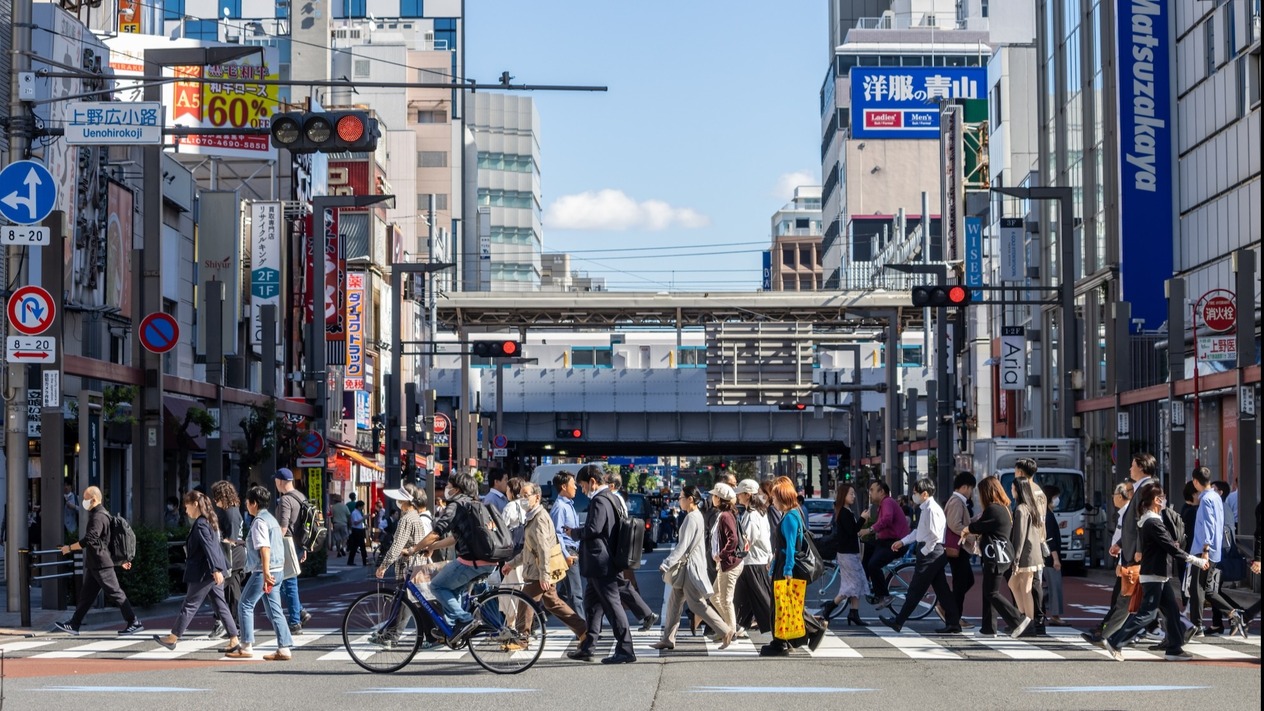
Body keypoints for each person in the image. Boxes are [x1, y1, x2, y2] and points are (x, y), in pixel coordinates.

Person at [1104, 483, 1211, 661]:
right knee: (1148, 613)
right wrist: (1197, 560)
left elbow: (1168, 545)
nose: (1165, 501)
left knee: (1172, 611)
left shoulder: (1151, 519)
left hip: (1158, 574)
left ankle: (1174, 648)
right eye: (1163, 497)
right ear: (1156, 500)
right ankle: (1116, 641)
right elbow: (1171, 548)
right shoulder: (1152, 521)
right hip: (1154, 573)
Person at [502, 482, 589, 649]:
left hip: (538, 571)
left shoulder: (539, 518)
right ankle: (583, 629)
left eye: (526, 495)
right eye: (521, 495)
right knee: (552, 603)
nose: (522, 499)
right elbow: (529, 549)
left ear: (537, 497)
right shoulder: (531, 517)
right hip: (537, 568)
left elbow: (543, 549)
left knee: (526, 601)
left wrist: (544, 575)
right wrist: (512, 564)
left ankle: (522, 638)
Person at [154, 491, 241, 652]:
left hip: (204, 571)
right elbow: (213, 546)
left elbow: (209, 547)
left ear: (195, 504)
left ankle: (173, 638)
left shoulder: (201, 523)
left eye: (186, 507)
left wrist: (215, 569)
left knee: (190, 604)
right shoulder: (209, 520)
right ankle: (234, 639)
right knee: (220, 604)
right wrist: (217, 568)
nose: (185, 511)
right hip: (211, 570)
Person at [566, 465, 636, 664]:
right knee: (592, 605)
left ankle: (626, 649)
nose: (582, 489)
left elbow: (594, 528)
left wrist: (575, 533)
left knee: (613, 606)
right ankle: (588, 647)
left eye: (583, 485)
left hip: (600, 561)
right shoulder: (611, 497)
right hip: (605, 560)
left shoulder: (599, 500)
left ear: (592, 481)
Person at [416, 471, 499, 639]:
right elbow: (455, 538)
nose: (446, 488)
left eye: (449, 485)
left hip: (471, 562)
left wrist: (414, 548)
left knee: (437, 586)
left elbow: (437, 531)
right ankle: (453, 626)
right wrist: (432, 547)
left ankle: (466, 619)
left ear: (457, 489)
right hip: (488, 560)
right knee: (452, 589)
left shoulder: (456, 505)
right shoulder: (477, 505)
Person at [54, 487, 143, 636]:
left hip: (100, 564)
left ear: (94, 499)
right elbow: (106, 542)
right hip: (97, 564)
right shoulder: (103, 515)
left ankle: (133, 622)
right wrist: (119, 562)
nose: (83, 501)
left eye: (86, 498)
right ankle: (74, 625)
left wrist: (69, 548)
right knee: (86, 597)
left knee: (116, 593)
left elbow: (90, 539)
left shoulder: (98, 517)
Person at [653, 486, 733, 650]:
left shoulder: (691, 518)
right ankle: (668, 638)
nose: (679, 501)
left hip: (689, 568)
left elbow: (683, 546)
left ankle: (725, 630)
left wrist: (667, 563)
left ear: (690, 499)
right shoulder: (695, 516)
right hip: (688, 567)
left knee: (696, 604)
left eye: (681, 497)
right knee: (674, 603)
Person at [880, 478, 963, 634]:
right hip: (932, 552)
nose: (913, 495)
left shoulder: (931, 509)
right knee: (942, 590)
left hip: (930, 553)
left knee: (916, 589)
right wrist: (903, 542)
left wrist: (924, 552)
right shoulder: (926, 508)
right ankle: (953, 623)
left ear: (925, 494)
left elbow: (934, 535)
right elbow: (920, 532)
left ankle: (899, 621)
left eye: (915, 492)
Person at [762, 476, 826, 656]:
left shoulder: (790, 517)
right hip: (782, 564)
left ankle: (784, 641)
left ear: (782, 497)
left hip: (786, 566)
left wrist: (787, 569)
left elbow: (790, 547)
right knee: (786, 604)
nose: (772, 501)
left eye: (774, 498)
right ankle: (783, 640)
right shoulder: (793, 513)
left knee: (783, 604)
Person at [227, 486, 292, 660]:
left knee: (245, 604)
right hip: (277, 570)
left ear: (254, 503)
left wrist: (264, 573)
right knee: (274, 610)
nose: (247, 505)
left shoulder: (259, 522)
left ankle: (246, 646)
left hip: (264, 571)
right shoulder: (271, 519)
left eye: (248, 502)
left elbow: (264, 548)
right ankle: (284, 648)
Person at [961, 476, 1030, 638]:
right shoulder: (1003, 507)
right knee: (988, 591)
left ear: (987, 492)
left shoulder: (993, 509)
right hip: (1000, 554)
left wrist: (967, 529)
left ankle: (1018, 619)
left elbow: (979, 526)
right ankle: (988, 628)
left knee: (992, 592)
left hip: (996, 556)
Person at [1187, 466, 1248, 638]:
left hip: (1203, 550)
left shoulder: (1206, 500)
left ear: (1196, 482)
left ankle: (1197, 625)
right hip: (1214, 550)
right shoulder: (1216, 497)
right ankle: (1234, 613)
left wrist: (1205, 549)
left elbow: (1208, 525)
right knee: (1207, 589)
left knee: (1197, 588)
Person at [1081, 481, 1135, 644]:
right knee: (1125, 601)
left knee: (1124, 601)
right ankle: (1109, 632)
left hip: (1128, 564)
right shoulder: (1125, 512)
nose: (1112, 498)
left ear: (1120, 496)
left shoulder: (1128, 513)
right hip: (1128, 563)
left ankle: (1113, 633)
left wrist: (1121, 561)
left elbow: (1127, 540)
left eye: (1114, 495)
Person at [818, 482, 867, 626]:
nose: (853, 496)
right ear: (843, 495)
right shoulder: (844, 513)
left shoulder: (845, 511)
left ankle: (854, 612)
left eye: (853, 494)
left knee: (856, 583)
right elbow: (852, 531)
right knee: (852, 584)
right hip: (847, 553)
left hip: (849, 552)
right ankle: (831, 605)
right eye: (850, 494)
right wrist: (863, 519)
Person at [859, 480, 910, 608]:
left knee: (873, 564)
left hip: (896, 542)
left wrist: (869, 530)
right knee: (866, 550)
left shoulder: (887, 502)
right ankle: (868, 586)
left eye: (872, 490)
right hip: (886, 541)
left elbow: (887, 520)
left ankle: (883, 595)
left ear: (881, 492)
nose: (869, 493)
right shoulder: (882, 505)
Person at [733, 479, 774, 635]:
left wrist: (736, 552)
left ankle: (806, 627)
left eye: (740, 494)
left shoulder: (752, 514)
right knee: (743, 597)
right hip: (755, 560)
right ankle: (736, 626)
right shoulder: (759, 512)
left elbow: (748, 539)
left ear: (747, 494)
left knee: (765, 600)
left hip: (754, 562)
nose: (738, 496)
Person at [273, 468, 311, 634]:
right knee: (284, 581)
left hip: (286, 543)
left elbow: (283, 526)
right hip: (298, 544)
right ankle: (300, 612)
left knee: (287, 582)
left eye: (276, 481)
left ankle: (295, 621)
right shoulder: (301, 497)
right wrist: (304, 548)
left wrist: (272, 544)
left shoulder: (285, 500)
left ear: (280, 481)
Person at [208, 480, 247, 639]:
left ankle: (235, 627)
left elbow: (231, 539)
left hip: (233, 557)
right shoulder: (232, 510)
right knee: (228, 592)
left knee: (231, 593)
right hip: (234, 556)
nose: (214, 500)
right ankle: (230, 625)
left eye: (216, 496)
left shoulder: (230, 513)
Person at [1009, 467, 1046, 629]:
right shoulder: (1030, 507)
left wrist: (1015, 560)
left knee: (1025, 589)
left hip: (1026, 555)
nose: (1011, 490)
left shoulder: (1020, 509)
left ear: (1018, 490)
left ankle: (1028, 622)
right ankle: (1025, 619)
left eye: (1012, 488)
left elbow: (1020, 536)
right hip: (1032, 553)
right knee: (1015, 585)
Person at [943, 472, 977, 627]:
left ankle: (949, 610)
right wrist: (970, 536)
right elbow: (955, 524)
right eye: (971, 488)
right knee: (962, 582)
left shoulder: (957, 501)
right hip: (958, 548)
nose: (971, 492)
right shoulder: (957, 501)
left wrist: (974, 520)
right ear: (964, 487)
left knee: (964, 581)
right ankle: (953, 614)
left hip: (959, 548)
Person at [550, 471, 584, 615]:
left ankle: (536, 619)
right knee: (576, 594)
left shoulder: (569, 505)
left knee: (563, 594)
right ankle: (583, 630)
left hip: (574, 551)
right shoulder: (560, 507)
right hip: (568, 553)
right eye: (573, 484)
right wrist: (566, 555)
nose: (576, 487)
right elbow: (557, 535)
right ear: (564, 486)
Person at [1041, 484, 1066, 625]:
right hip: (1050, 558)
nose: (1058, 500)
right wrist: (1056, 559)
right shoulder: (1048, 516)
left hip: (1046, 557)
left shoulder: (1047, 514)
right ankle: (1055, 616)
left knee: (1046, 587)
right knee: (1054, 586)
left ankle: (1040, 610)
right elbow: (1050, 539)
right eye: (1056, 497)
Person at [347, 500, 369, 566]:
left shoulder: (358, 512)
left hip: (359, 530)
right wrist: (363, 518)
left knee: (355, 546)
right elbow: (356, 522)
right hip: (357, 530)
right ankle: (364, 561)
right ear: (359, 506)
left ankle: (351, 561)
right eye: (362, 506)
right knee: (361, 546)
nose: (363, 507)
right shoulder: (355, 513)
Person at [330, 493, 349, 557]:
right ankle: (342, 548)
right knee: (345, 537)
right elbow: (348, 515)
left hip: (336, 524)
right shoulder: (344, 506)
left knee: (337, 539)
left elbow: (331, 516)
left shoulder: (333, 507)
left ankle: (338, 551)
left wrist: (332, 523)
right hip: (344, 524)